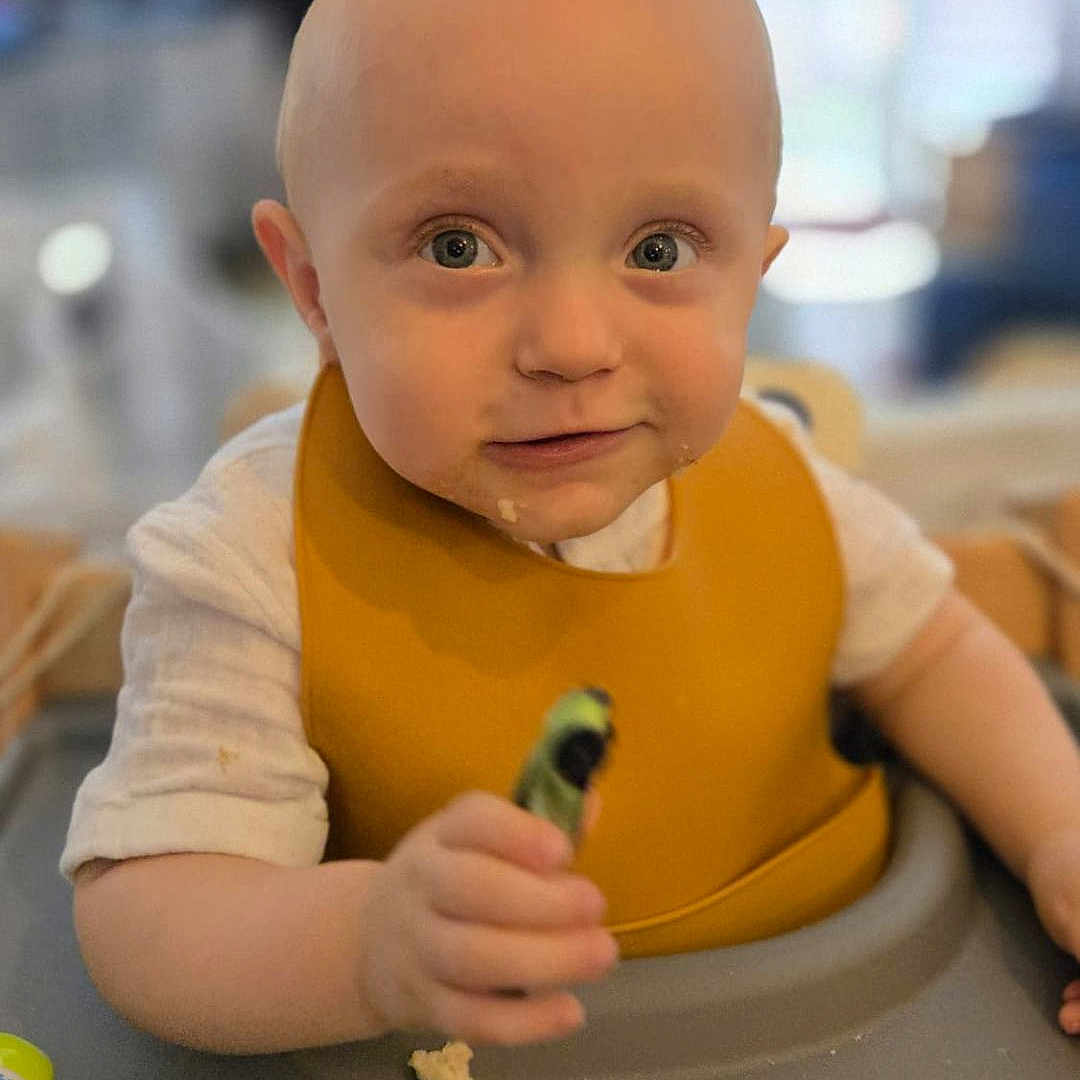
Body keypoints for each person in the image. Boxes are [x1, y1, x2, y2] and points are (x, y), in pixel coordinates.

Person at [64, 0, 1080, 1056]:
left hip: (860, 1014)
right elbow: (149, 907)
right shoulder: (252, 550)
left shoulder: (787, 489)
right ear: (313, 286)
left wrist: (1059, 834)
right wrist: (363, 947)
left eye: (660, 246)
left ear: (754, 273)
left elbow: (938, 655)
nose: (572, 345)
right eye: (458, 247)